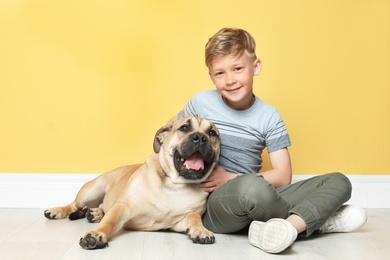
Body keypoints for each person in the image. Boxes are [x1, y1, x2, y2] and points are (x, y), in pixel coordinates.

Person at [169, 28, 367, 254]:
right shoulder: (201, 102)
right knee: (252, 187)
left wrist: (230, 178)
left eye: (238, 69)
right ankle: (316, 222)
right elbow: (170, 135)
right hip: (215, 204)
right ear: (211, 76)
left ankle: (290, 227)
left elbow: (283, 176)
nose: (230, 80)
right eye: (220, 73)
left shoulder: (269, 117)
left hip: (258, 195)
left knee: (340, 181)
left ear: (256, 67)